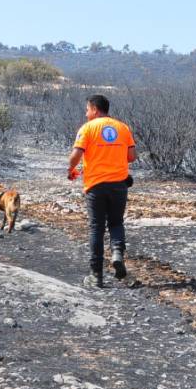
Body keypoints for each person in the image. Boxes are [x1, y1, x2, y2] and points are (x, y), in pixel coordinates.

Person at [67, 94, 137, 288]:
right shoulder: (123, 128)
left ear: (95, 109)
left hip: (96, 186)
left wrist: (70, 169)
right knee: (116, 223)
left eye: (87, 109)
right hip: (119, 185)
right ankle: (116, 253)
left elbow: (75, 155)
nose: (86, 112)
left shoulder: (87, 128)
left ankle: (96, 275)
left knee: (97, 227)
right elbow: (131, 156)